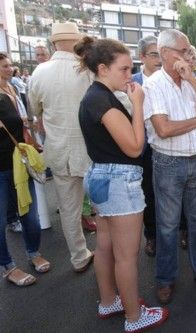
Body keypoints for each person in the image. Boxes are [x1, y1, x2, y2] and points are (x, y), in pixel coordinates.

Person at [76, 36, 168, 332]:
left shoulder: (95, 96)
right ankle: (133, 317)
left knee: (104, 247)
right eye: (125, 69)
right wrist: (138, 104)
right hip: (118, 180)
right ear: (103, 68)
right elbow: (134, 147)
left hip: (100, 176)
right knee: (126, 255)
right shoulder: (103, 101)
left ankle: (109, 301)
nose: (130, 76)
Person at [142, 28, 196, 304]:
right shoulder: (152, 85)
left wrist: (194, 82)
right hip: (167, 163)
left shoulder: (194, 81)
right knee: (167, 226)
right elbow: (163, 129)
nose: (188, 55)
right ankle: (165, 279)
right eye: (183, 51)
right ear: (165, 54)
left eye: (189, 51)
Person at [28, 22, 94, 272]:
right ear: (76, 40)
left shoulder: (39, 72)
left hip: (58, 150)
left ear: (53, 43)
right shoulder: (87, 70)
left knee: (69, 209)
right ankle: (114, 254)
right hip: (92, 149)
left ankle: (79, 257)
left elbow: (35, 110)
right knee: (105, 205)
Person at [1, 52, 50, 287]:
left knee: (30, 215)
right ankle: (9, 266)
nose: (9, 69)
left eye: (10, 65)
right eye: (4, 66)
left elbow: (21, 124)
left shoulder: (13, 90)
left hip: (20, 163)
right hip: (1, 167)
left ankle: (33, 253)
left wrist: (31, 141)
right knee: (1, 221)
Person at [131, 35, 161, 257]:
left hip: (168, 145)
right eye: (154, 54)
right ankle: (151, 235)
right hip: (143, 149)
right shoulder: (131, 82)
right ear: (142, 57)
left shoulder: (170, 79)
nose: (159, 58)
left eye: (161, 53)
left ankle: (182, 229)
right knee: (148, 193)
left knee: (172, 192)